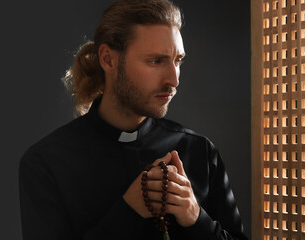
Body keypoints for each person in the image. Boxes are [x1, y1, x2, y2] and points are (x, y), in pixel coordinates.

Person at [19, 0, 248, 239]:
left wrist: (195, 216)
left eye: (177, 61)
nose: (174, 79)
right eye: (156, 61)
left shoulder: (200, 151)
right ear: (108, 59)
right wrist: (129, 211)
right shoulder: (45, 164)